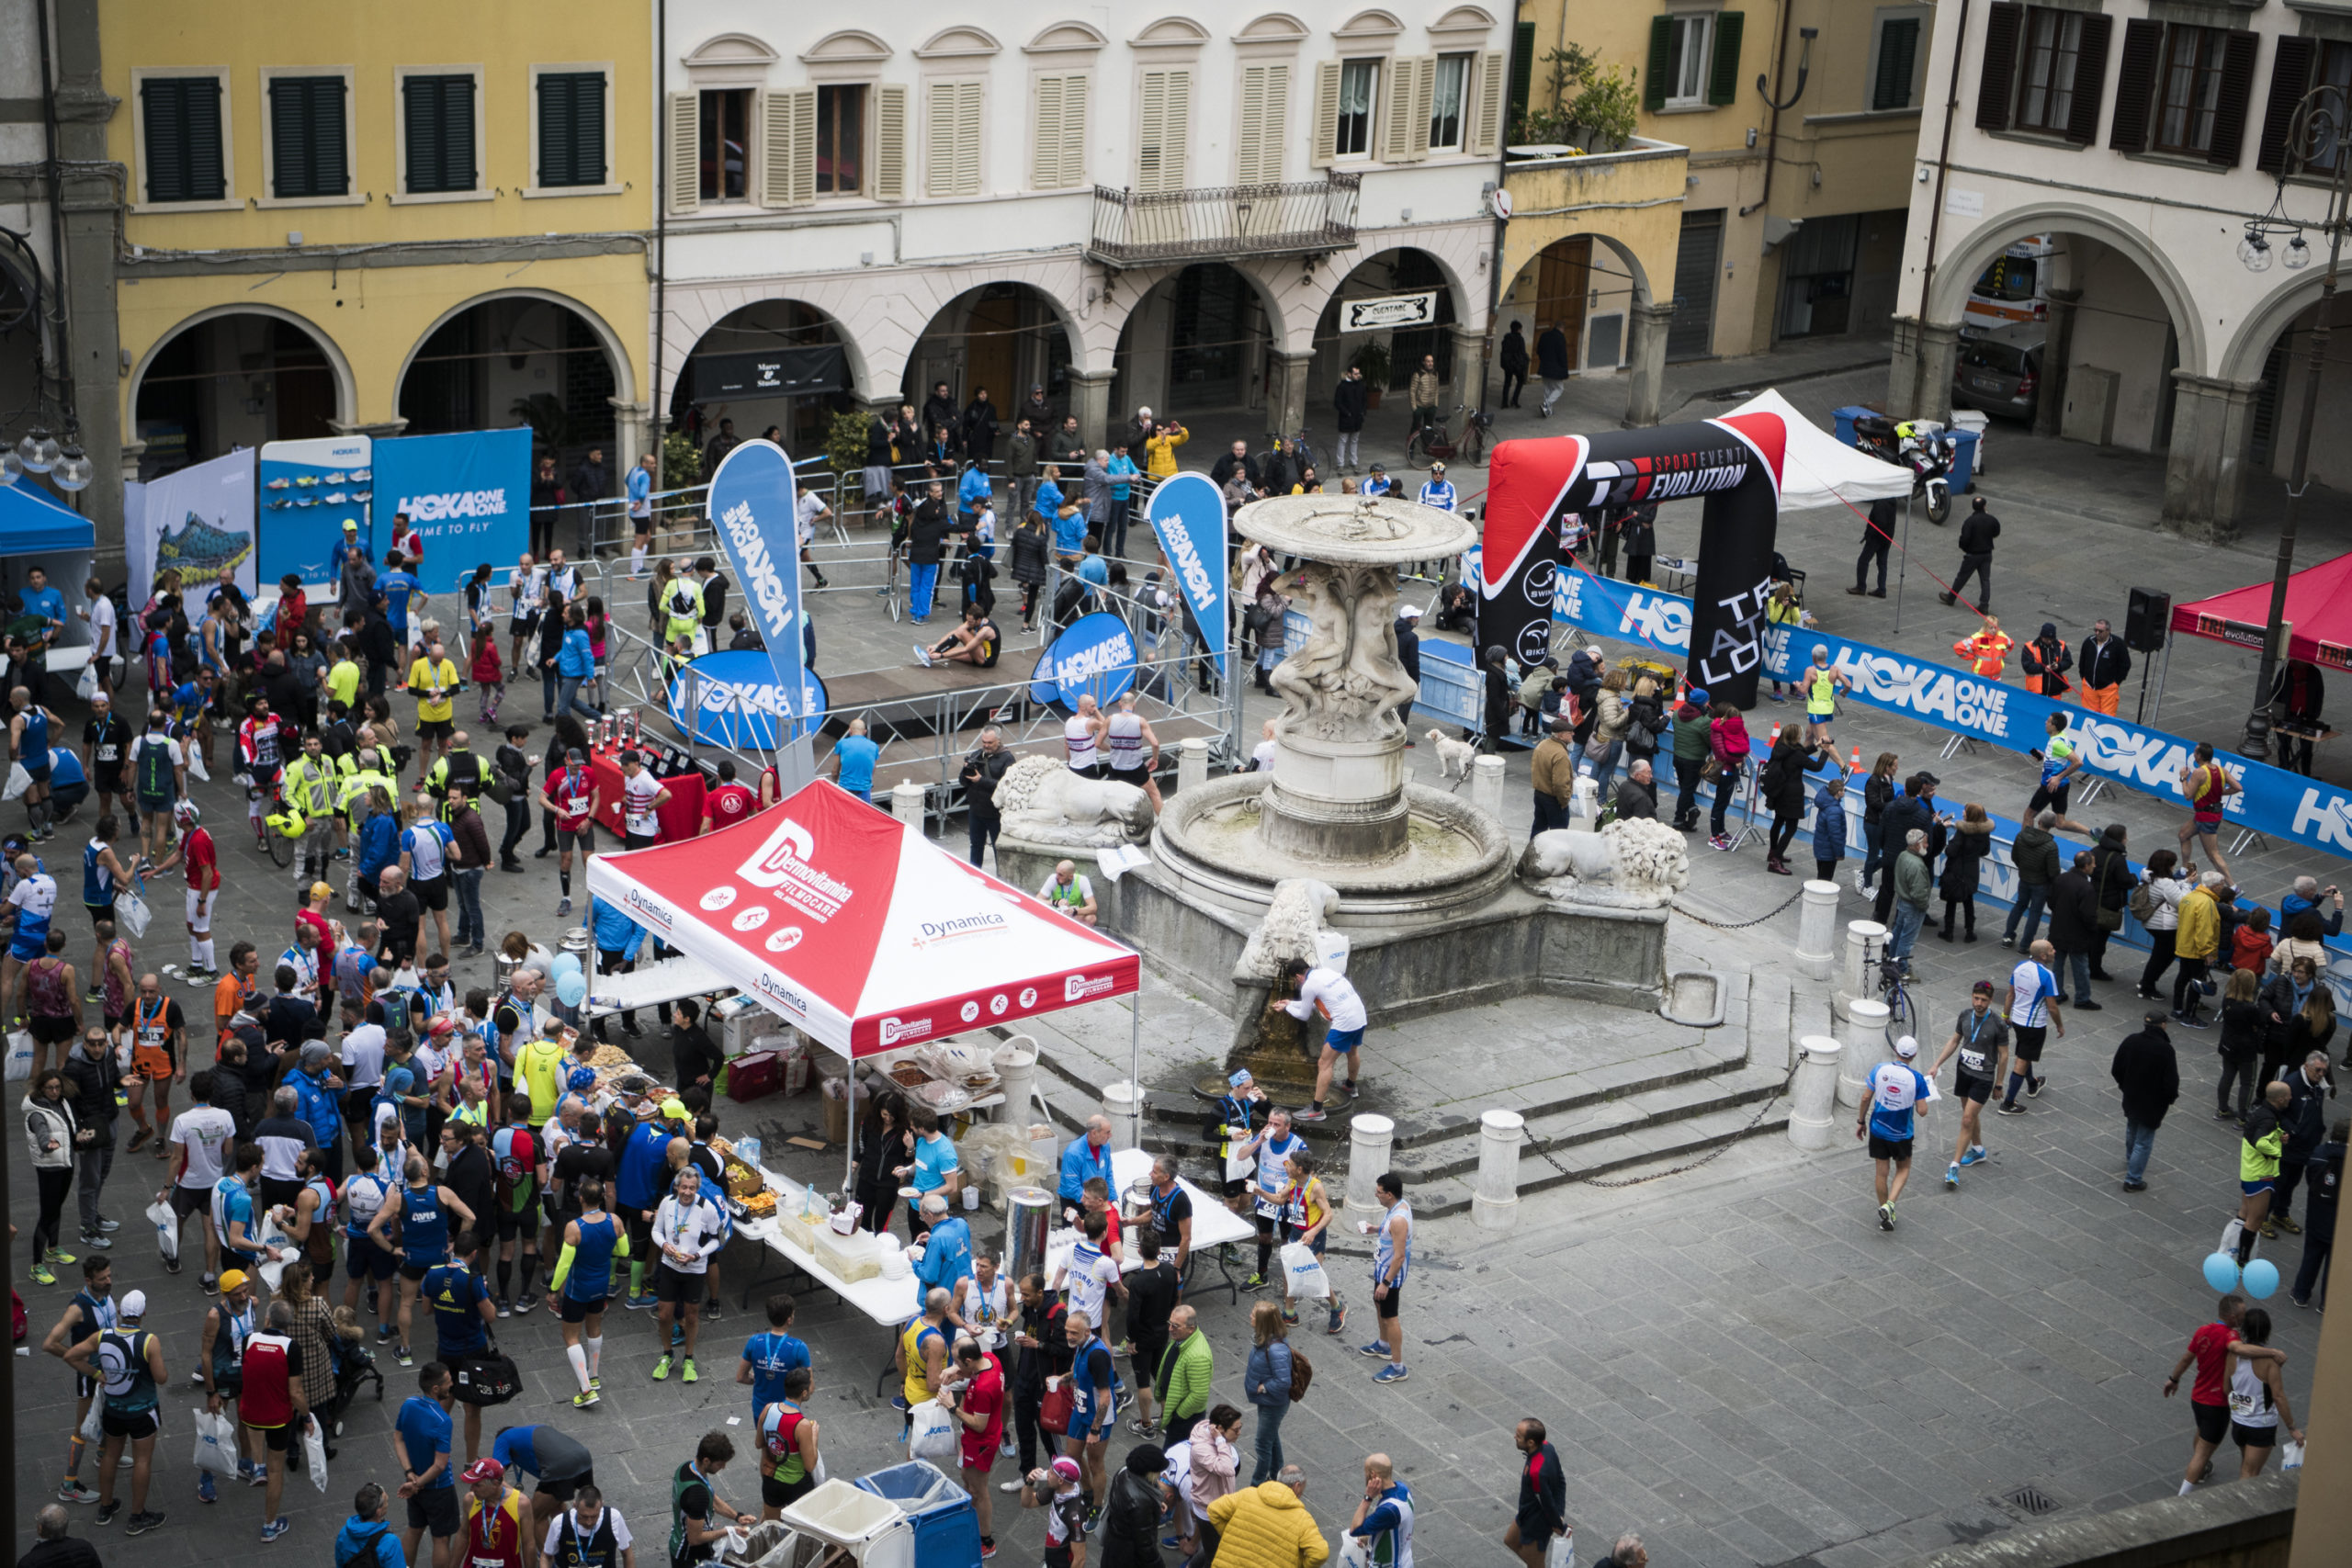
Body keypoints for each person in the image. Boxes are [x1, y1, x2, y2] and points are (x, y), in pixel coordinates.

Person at [63, 1286, 166, 1535]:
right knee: (142, 1460)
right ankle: (137, 1516)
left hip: (113, 1411)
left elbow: (70, 1355)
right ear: (143, 1313)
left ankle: (105, 1507)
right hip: (143, 1412)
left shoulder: (102, 1336)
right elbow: (161, 1378)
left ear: (120, 1312)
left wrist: (97, 1374)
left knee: (110, 1455)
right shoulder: (149, 1341)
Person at [548, 1176, 627, 1408]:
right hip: (600, 1286)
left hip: (578, 1288)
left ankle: (586, 1389)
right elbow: (625, 1250)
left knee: (571, 1336)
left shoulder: (574, 1228)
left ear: (581, 1198)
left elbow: (563, 1264)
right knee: (594, 1329)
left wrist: (553, 1290)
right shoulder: (614, 1221)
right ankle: (594, 1375)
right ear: (602, 1197)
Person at [650, 1165, 724, 1384]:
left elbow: (717, 1239)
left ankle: (689, 1359)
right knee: (664, 1314)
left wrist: (697, 1255)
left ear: (697, 1189)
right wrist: (664, 1245)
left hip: (694, 1270)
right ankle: (667, 1355)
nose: (687, 1192)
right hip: (669, 1266)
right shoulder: (667, 1203)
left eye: (692, 1188)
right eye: (684, 1187)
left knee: (691, 1316)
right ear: (677, 1186)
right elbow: (656, 1230)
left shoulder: (707, 1208)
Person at [1858, 1035, 1932, 1230]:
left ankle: (1886, 1216)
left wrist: (1861, 1121)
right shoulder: (1917, 1079)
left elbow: (1866, 1097)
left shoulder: (1880, 1069)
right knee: (1903, 1169)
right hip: (1901, 1134)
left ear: (1896, 1050)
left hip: (1878, 1129)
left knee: (1881, 1173)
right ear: (1914, 1055)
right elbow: (1923, 1111)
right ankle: (1890, 1204)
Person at [395, 1366, 462, 1567]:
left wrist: (410, 1475)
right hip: (439, 1489)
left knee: (414, 1529)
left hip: (413, 1483)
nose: (451, 1384)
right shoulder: (442, 1420)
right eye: (448, 1381)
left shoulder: (409, 1404)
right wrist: (419, 1483)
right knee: (441, 1539)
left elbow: (398, 1439)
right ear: (435, 1388)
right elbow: (440, 1466)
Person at [2224, 1309, 2301, 1476]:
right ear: (2268, 1331)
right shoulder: (2269, 1362)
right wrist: (2292, 1428)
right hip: (2261, 1425)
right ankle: (2241, 1502)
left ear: (2244, 1329)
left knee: (2246, 1467)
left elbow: (2226, 1389)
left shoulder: (2232, 1356)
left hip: (2239, 1423)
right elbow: (2278, 1397)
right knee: (2250, 1473)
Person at [1995, 940, 2067, 1115]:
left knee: (2024, 1053)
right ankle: (2008, 1103)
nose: (2054, 951)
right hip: (2034, 1025)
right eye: (2051, 949)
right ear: (2043, 955)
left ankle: (2033, 1084)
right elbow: (2052, 1006)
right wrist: (2059, 1025)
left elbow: (2010, 994)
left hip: (2018, 1021)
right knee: (2022, 1060)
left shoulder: (2020, 966)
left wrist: (2006, 1015)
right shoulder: (2047, 975)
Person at [2111, 1010, 2181, 1191]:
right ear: (2163, 1025)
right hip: (2153, 1103)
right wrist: (2169, 1098)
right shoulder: (2165, 1049)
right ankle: (2133, 1180)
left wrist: (2124, 1086)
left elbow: (2116, 1068)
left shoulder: (2131, 1040)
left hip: (2131, 1096)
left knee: (2132, 1129)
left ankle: (2131, 1159)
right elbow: (2171, 1081)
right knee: (2144, 1140)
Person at [1238, 1109, 1306, 1289]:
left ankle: (1291, 1282)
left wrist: (1291, 1184)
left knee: (1288, 1241)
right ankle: (1261, 1275)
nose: (1272, 1127)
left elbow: (1307, 1173)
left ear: (1288, 1126)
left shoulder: (1298, 1145)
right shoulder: (1264, 1140)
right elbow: (1241, 1155)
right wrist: (1259, 1140)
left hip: (1288, 1201)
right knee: (1264, 1237)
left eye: (1277, 1124)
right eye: (1270, 1123)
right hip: (1265, 1197)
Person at [1205, 1465, 1322, 1568]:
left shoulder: (1247, 1494)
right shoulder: (1303, 1519)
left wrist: (1230, 1534)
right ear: (1297, 1486)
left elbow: (1214, 1510)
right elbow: (1320, 1553)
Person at [670, 1432, 749, 1568]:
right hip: (690, 1556)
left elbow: (712, 1498)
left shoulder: (687, 1467)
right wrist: (729, 1531)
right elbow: (695, 1538)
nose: (723, 1467)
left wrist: (737, 1516)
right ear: (706, 1461)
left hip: (677, 1541)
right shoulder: (697, 1495)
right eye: (720, 1464)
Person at [1362, 1168, 1412, 1382]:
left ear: (1389, 1194)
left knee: (1390, 1318)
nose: (1377, 1195)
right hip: (1381, 1269)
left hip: (1389, 1276)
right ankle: (1383, 1345)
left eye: (1379, 1192)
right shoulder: (1396, 1207)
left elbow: (1399, 1257)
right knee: (1379, 1307)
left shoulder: (1399, 1219)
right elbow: (1389, 1233)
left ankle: (1398, 1366)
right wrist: (1374, 1229)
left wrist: (1385, 1283)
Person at [2236, 1081, 2294, 1266]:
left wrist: (2278, 1135)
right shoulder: (2269, 1119)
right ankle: (2242, 1261)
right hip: (2261, 1175)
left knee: (2244, 1214)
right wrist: (2277, 1153)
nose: (2291, 1098)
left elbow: (2257, 1134)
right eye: (2289, 1096)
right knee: (2255, 1220)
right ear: (2280, 1099)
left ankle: (2231, 1247)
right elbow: (2260, 1142)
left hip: (2249, 1171)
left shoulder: (2261, 1112)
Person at [2290, 1116, 2345, 1308]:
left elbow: (2310, 1178)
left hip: (2316, 1212)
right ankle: (2326, 1303)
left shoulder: (2319, 1153)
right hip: (2340, 1219)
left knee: (2311, 1256)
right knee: (2333, 1262)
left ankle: (2301, 1293)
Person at [1240, 1301, 1295, 1487]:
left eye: (1254, 1315)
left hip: (1273, 1403)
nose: (1250, 1316)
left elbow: (1283, 1381)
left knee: (1262, 1444)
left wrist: (1262, 1388)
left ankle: (1257, 1484)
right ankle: (1278, 1476)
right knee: (1271, 1438)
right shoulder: (1265, 1339)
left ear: (1263, 1322)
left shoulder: (1276, 1349)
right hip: (1267, 1401)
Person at [1503, 1420, 1569, 1568]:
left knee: (1535, 1564)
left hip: (1537, 1523)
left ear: (1531, 1442)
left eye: (1519, 1436)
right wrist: (1560, 1512)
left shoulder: (1535, 1473)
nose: (1515, 1437)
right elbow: (1561, 1480)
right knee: (1510, 1541)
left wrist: (1558, 1523)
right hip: (1526, 1513)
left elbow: (1546, 1502)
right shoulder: (1547, 1447)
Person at [2177, 741, 2240, 885]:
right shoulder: (2221, 770)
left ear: (2198, 756)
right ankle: (2184, 871)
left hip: (2206, 817)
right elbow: (2238, 787)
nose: (2193, 753)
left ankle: (2233, 886)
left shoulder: (2199, 773)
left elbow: (2188, 795)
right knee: (2183, 835)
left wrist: (2183, 778)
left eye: (2195, 752)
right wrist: (2221, 792)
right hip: (2206, 815)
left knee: (2213, 854)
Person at [1937, 802, 1993, 941]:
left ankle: (1948, 931)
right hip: (1971, 870)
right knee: (1968, 900)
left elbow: (1951, 851)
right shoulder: (1985, 832)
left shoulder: (1963, 831)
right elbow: (1985, 851)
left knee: (1951, 900)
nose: (1962, 812)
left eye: (1965, 811)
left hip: (1956, 869)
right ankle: (1969, 932)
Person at [1939, 497, 1999, 611]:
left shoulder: (1970, 521)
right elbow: (1997, 531)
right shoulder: (1992, 520)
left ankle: (1951, 597)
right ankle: (1984, 605)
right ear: (1984, 506)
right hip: (1987, 554)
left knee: (1962, 577)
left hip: (1973, 554)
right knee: (1985, 580)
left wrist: (1967, 549)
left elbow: (1964, 539)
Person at [1534, 320, 1570, 415]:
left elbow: (1539, 350)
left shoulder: (1544, 335)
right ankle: (1546, 404)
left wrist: (1544, 360)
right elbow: (1562, 355)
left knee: (1547, 388)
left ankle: (1547, 411)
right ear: (1562, 328)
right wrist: (1564, 369)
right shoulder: (1560, 338)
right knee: (1559, 388)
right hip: (1556, 369)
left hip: (1544, 366)